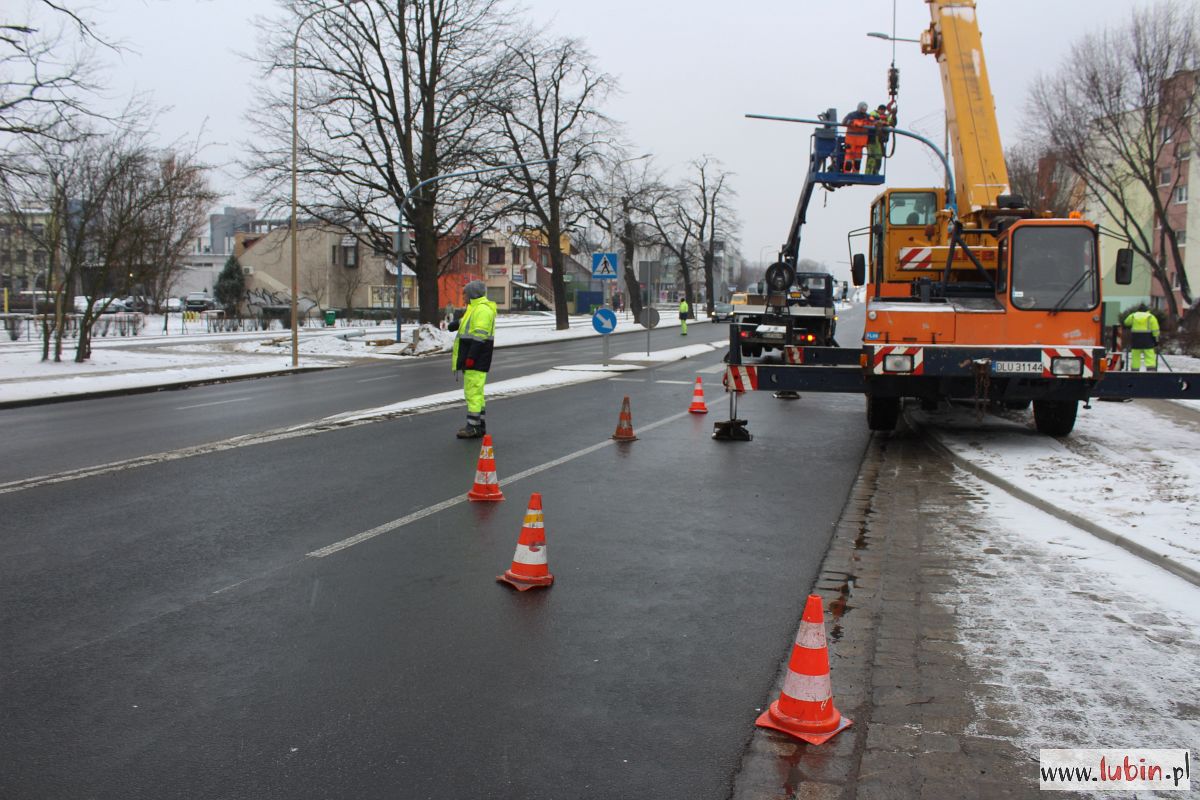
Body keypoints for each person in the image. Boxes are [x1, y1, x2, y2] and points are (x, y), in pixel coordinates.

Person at [448, 280, 497, 438]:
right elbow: (468, 322)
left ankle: (473, 427)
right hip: (475, 359)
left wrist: (470, 358)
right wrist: (455, 324)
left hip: (476, 359)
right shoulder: (475, 308)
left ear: (472, 295)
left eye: (465, 294)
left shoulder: (482, 310)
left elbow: (479, 336)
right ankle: (479, 425)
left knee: (472, 393)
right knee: (477, 393)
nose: (463, 297)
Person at [1122, 305, 1160, 372]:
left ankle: (1135, 370)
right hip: (1148, 340)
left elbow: (1126, 323)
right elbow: (1155, 330)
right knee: (1149, 356)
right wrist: (1156, 341)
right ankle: (1151, 371)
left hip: (1136, 340)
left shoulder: (1133, 316)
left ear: (1138, 310)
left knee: (1135, 356)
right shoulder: (1151, 317)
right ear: (1147, 310)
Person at [866, 102, 896, 176]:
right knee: (872, 156)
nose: (883, 112)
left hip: (880, 140)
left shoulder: (886, 116)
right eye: (882, 110)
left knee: (878, 156)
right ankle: (869, 172)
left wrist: (894, 115)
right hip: (872, 138)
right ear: (878, 109)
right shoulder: (873, 114)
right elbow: (873, 120)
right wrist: (884, 121)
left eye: (884, 111)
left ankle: (875, 171)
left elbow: (892, 123)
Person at [841, 102, 871, 173]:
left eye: (865, 109)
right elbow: (844, 122)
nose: (864, 110)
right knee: (849, 159)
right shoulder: (852, 115)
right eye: (862, 108)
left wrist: (882, 123)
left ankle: (855, 173)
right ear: (859, 108)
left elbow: (874, 121)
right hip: (850, 142)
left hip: (860, 143)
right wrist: (853, 122)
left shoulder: (867, 117)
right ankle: (846, 173)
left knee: (858, 159)